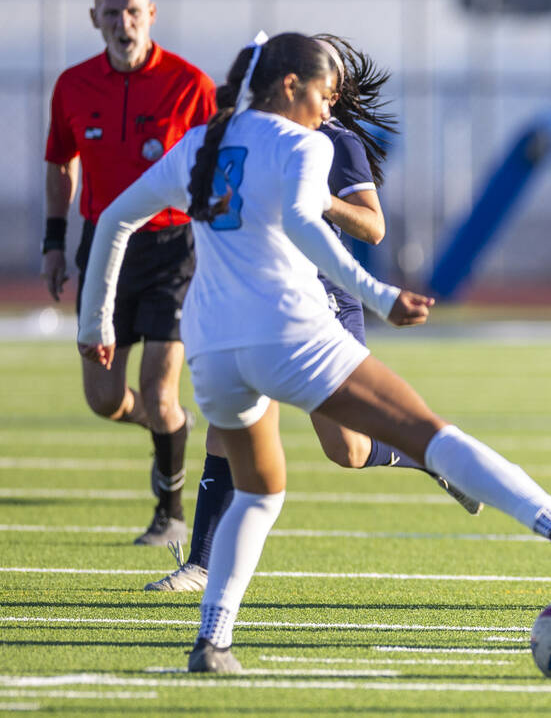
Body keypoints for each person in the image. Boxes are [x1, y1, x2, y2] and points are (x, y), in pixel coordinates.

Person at [77, 32, 551, 674]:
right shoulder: (298, 142)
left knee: (260, 494)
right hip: (290, 334)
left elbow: (111, 220)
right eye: (323, 95)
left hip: (213, 352)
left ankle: (213, 643)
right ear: (290, 86)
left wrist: (93, 326)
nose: (329, 111)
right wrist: (380, 296)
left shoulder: (200, 144)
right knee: (430, 432)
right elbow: (302, 223)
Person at [143, 34, 482, 594]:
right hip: (257, 293)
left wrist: (318, 203)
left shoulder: (337, 143)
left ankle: (429, 458)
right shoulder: (241, 134)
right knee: (230, 423)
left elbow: (373, 227)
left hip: (322, 296)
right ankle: (201, 564)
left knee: (346, 449)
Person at [42, 0, 216, 545]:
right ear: (95, 19)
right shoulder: (71, 86)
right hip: (102, 250)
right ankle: (172, 427)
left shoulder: (190, 85)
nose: (124, 24)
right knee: (104, 398)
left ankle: (169, 514)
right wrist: (53, 242)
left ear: (152, 13)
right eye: (112, 14)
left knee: (160, 388)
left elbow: (217, 175)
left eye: (133, 12)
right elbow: (60, 163)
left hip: (171, 250)